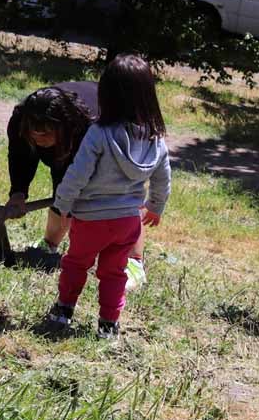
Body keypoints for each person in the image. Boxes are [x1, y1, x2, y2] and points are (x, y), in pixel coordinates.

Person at [46, 55, 171, 339]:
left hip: (91, 219)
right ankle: (108, 325)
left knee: (76, 263)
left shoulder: (99, 133)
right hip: (128, 222)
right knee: (115, 273)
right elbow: (163, 178)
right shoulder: (156, 138)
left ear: (107, 93)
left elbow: (78, 174)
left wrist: (62, 205)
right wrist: (155, 206)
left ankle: (64, 309)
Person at [6, 80, 148, 289]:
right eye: (33, 134)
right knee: (64, 190)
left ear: (64, 126)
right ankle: (49, 244)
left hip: (120, 134)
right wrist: (18, 193)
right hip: (69, 141)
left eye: (44, 134)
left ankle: (135, 263)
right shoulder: (22, 119)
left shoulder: (92, 128)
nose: (38, 140)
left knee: (122, 198)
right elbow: (20, 156)